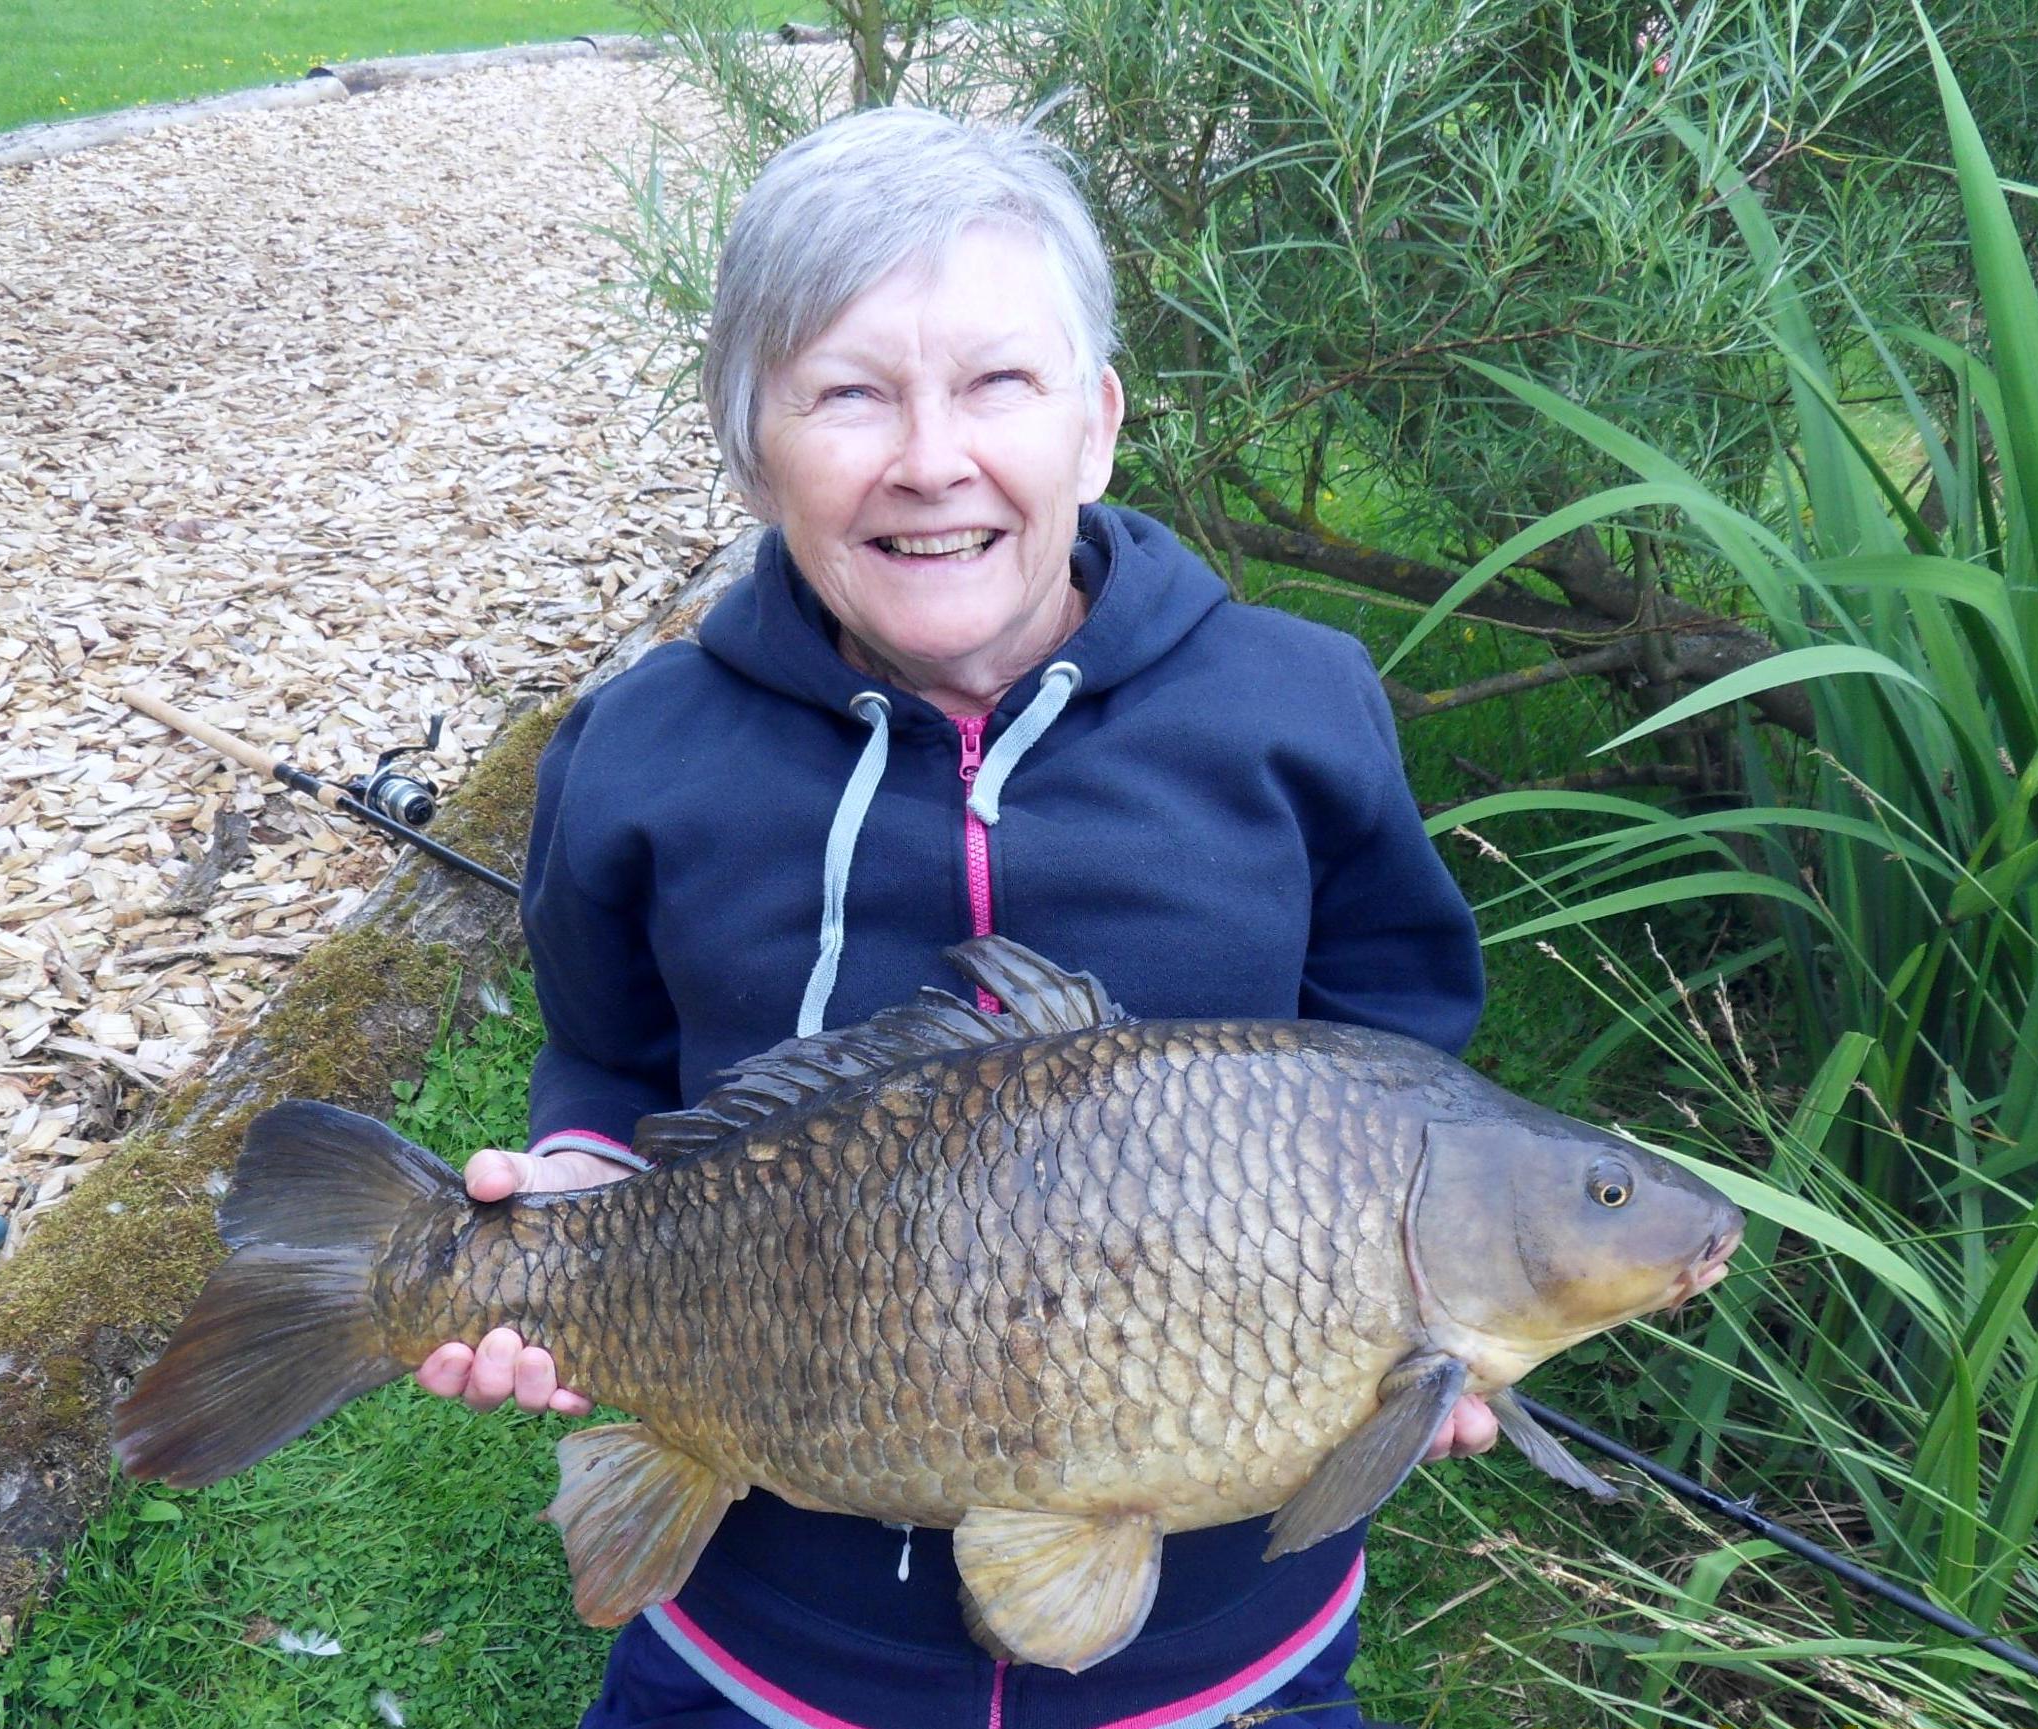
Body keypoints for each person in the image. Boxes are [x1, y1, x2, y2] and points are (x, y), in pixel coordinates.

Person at [415, 104, 1493, 1729]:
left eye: (999, 382)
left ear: (1098, 425)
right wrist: (574, 1168)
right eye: (849, 394)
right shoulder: (640, 753)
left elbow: (1399, 1055)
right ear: (753, 446)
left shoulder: (1298, 712)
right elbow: (605, 1047)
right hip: (768, 1644)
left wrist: (1422, 1307)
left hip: (1220, 1657)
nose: (932, 458)